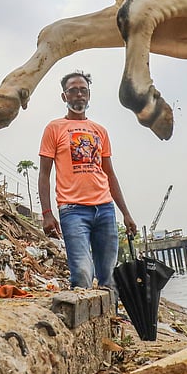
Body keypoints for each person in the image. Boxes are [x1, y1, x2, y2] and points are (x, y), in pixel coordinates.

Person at [37, 70, 137, 290]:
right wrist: (47, 213)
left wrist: (126, 214)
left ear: (89, 95)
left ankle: (110, 320)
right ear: (64, 96)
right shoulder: (54, 129)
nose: (78, 95)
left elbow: (109, 174)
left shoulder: (100, 131)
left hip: (105, 208)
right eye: (73, 91)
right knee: (82, 272)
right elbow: (44, 173)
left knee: (109, 276)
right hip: (72, 210)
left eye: (83, 90)